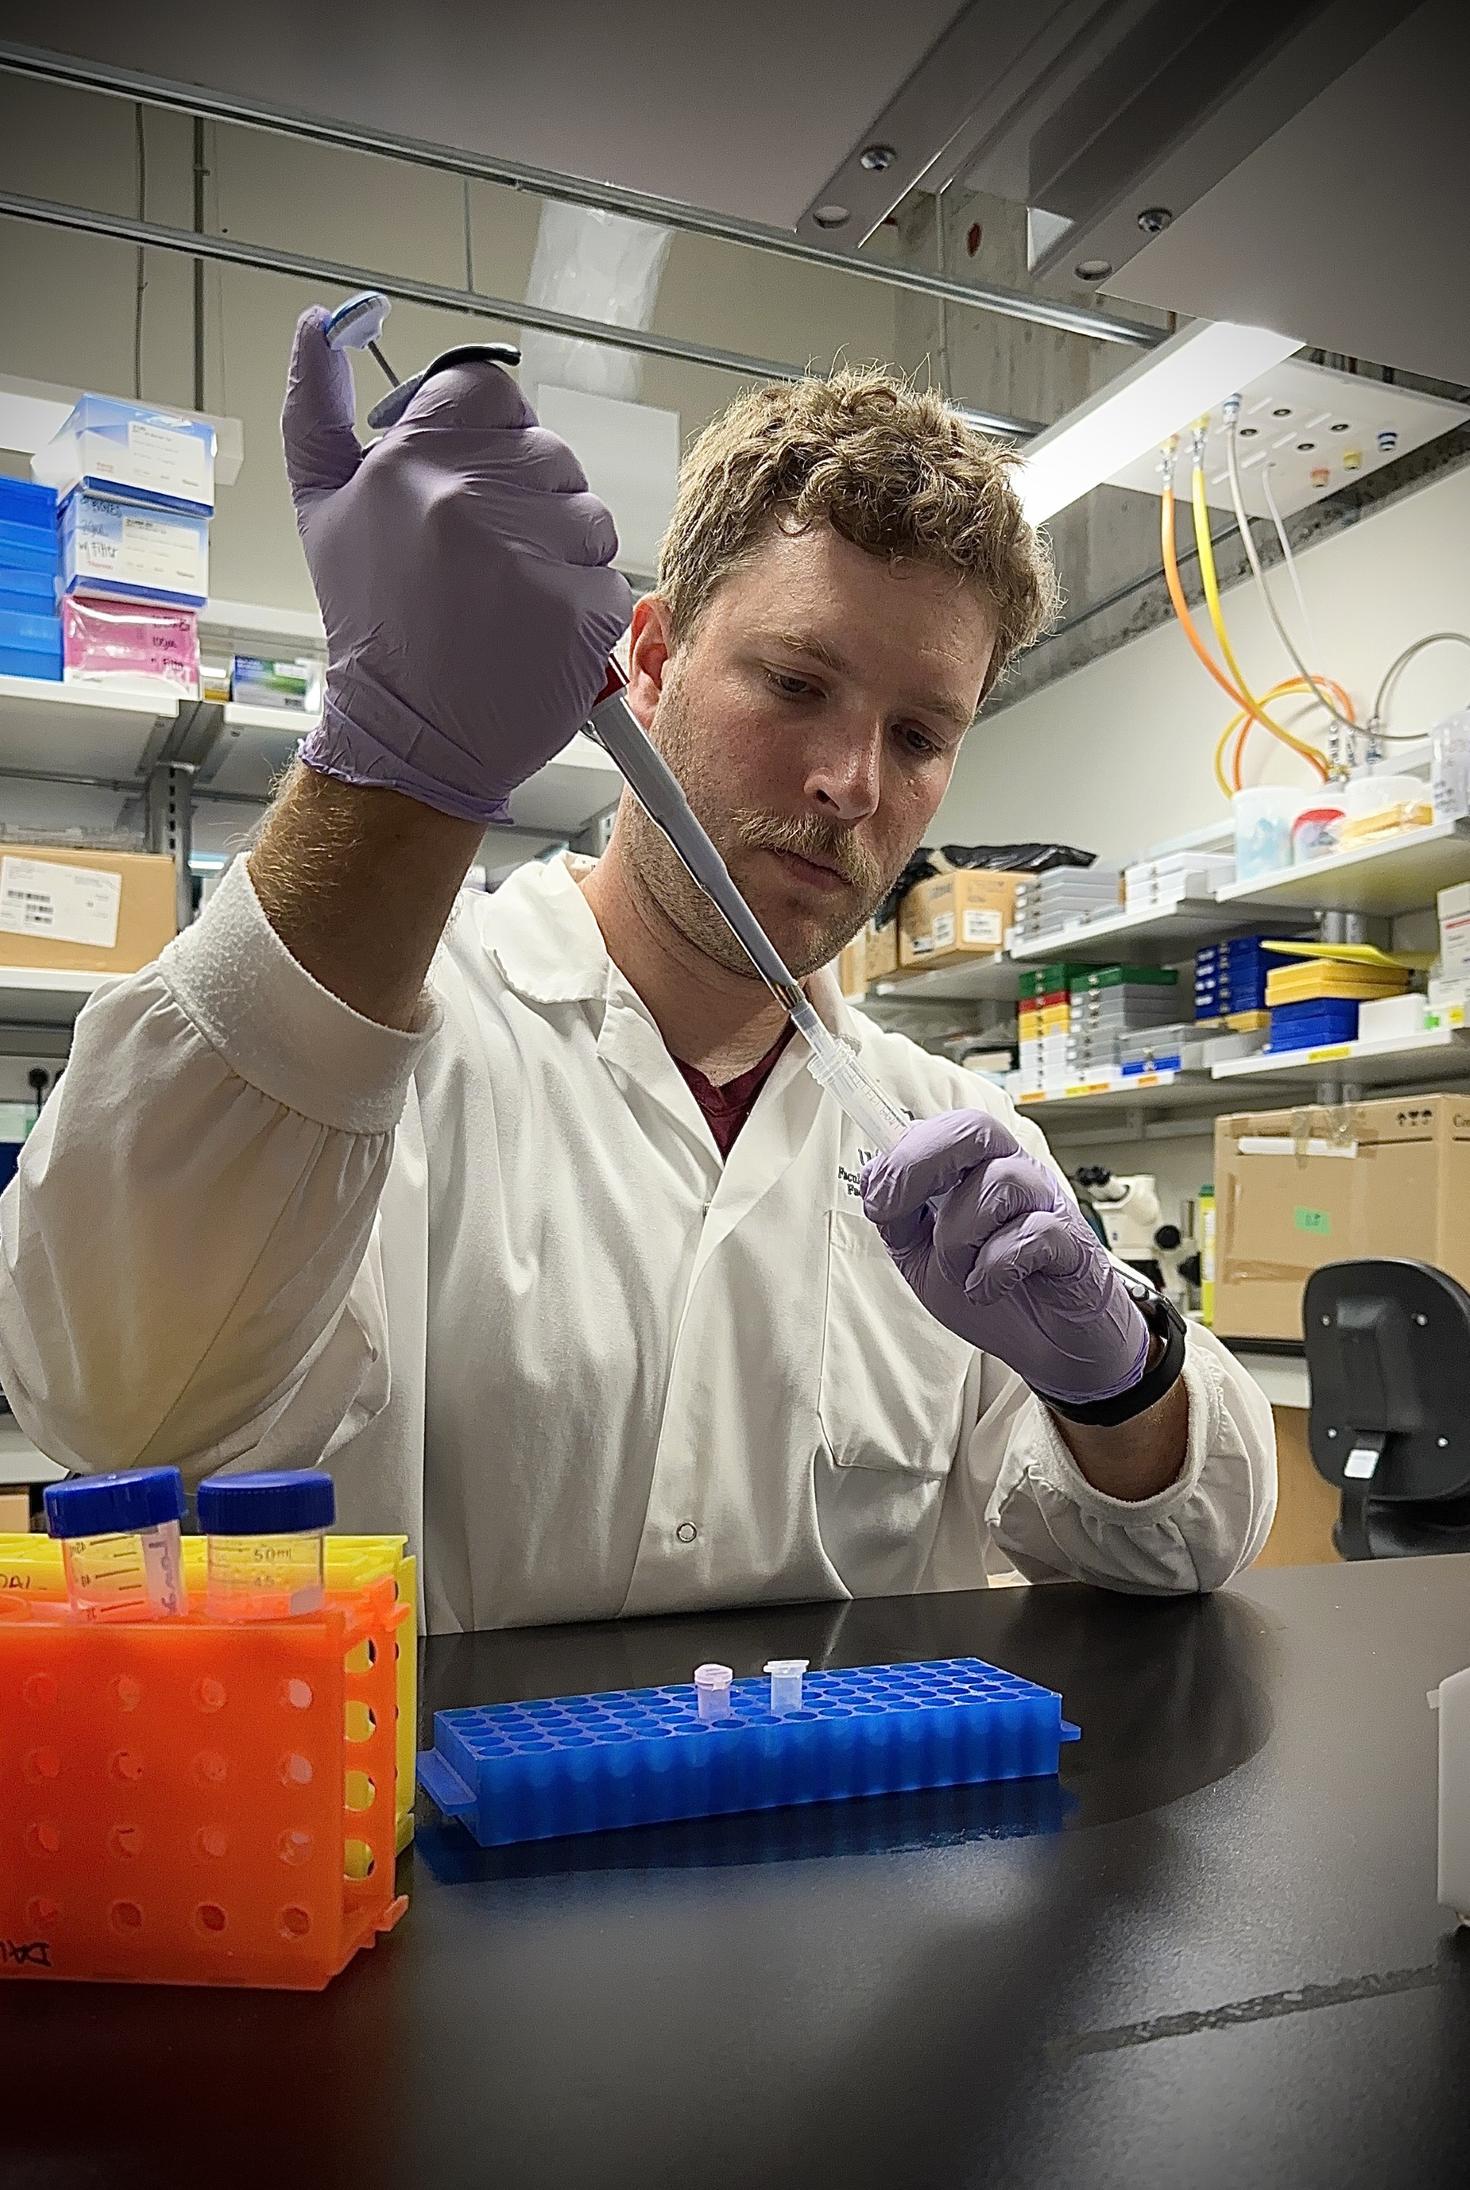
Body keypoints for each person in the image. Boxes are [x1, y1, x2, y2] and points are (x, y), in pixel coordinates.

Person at [0, 313, 1275, 1631]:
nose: (853, 782)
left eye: (917, 732)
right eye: (793, 683)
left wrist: (1118, 1385)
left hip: (860, 1833)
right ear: (649, 662)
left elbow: (1183, 1543)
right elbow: (107, 1392)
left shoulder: (949, 1141)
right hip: (434, 1832)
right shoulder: (386, 1038)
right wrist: (381, 768)